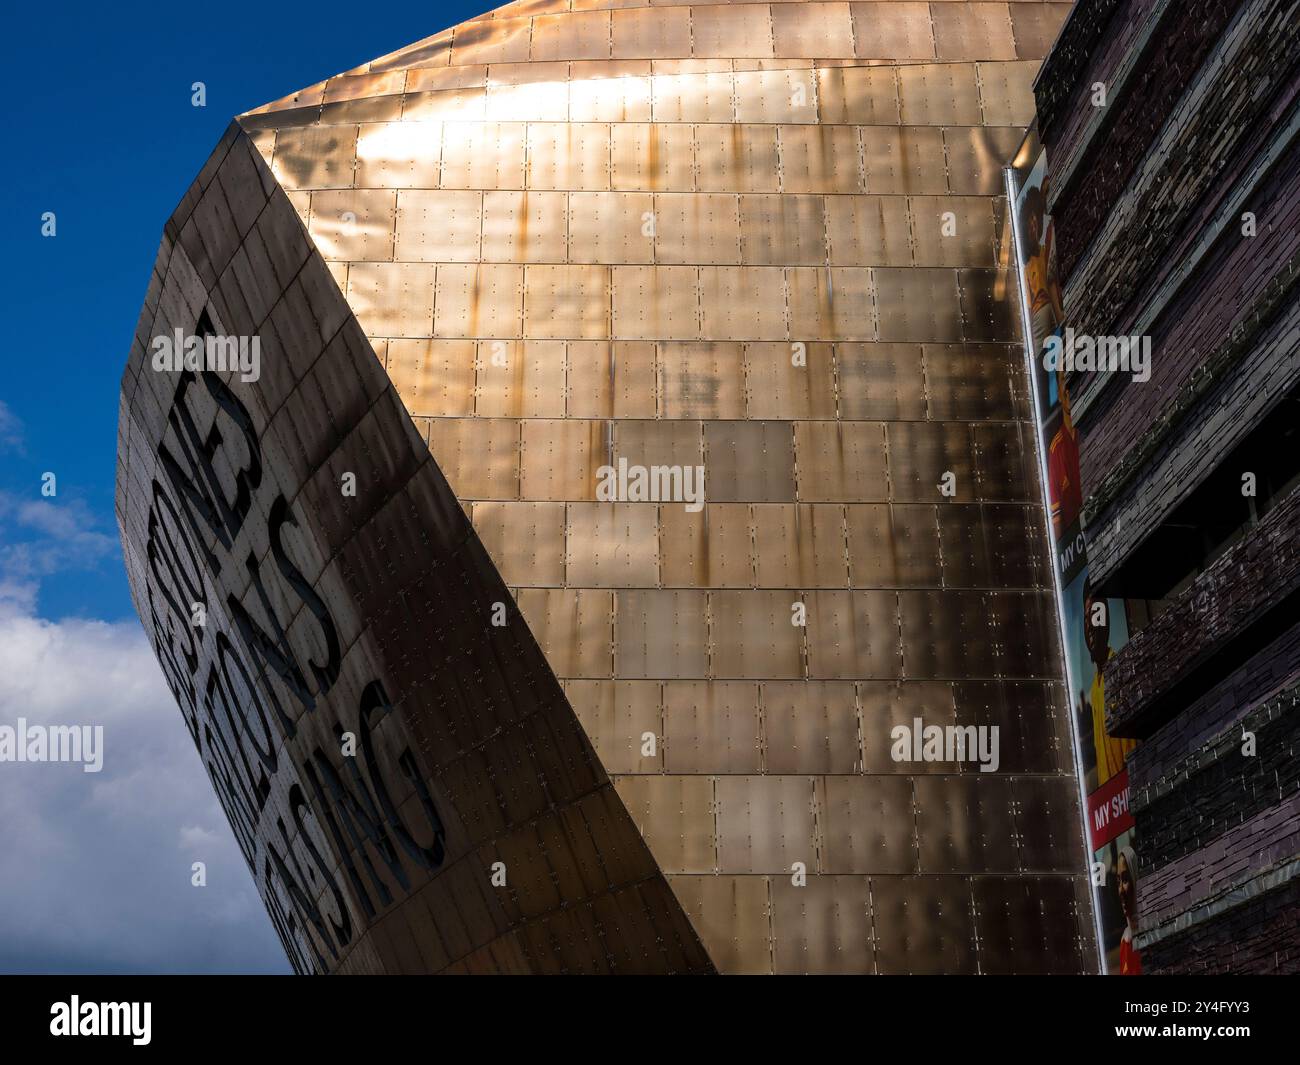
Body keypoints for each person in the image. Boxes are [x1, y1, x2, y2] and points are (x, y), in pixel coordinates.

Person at [1083, 578, 1136, 787]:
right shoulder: (1094, 690)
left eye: (1095, 615)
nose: (1090, 626)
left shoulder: (1120, 669)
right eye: (1086, 619)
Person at [1048, 372, 1082, 538]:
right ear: (1059, 394)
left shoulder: (1085, 428)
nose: (1067, 387)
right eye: (1062, 380)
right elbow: (1056, 520)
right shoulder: (1056, 450)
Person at [1116, 844, 1143, 974]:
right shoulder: (1124, 942)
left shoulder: (1147, 932)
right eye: (1118, 881)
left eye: (1125, 879)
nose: (1120, 889)